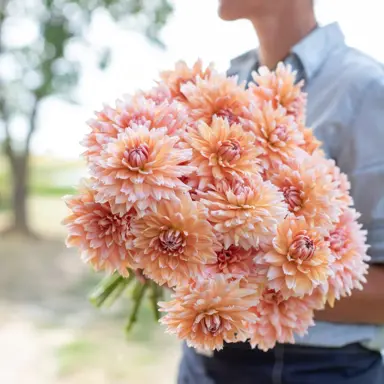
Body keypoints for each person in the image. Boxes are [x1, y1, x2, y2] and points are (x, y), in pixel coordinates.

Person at [178, 1, 384, 383]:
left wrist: (244, 285)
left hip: (313, 368)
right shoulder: (227, 82)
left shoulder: (367, 88)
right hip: (204, 358)